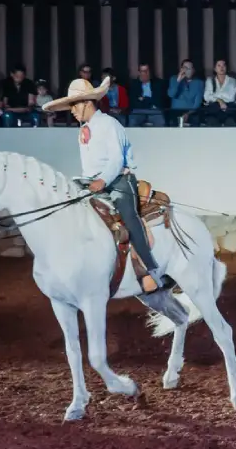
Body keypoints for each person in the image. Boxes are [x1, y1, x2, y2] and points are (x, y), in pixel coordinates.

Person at [42, 78, 170, 294]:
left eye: (74, 105)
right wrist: (85, 183)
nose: (72, 111)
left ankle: (152, 269)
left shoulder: (110, 124)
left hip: (119, 181)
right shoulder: (84, 130)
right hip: (95, 183)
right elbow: (89, 166)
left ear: (87, 103)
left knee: (129, 217)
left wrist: (102, 181)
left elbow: (116, 160)